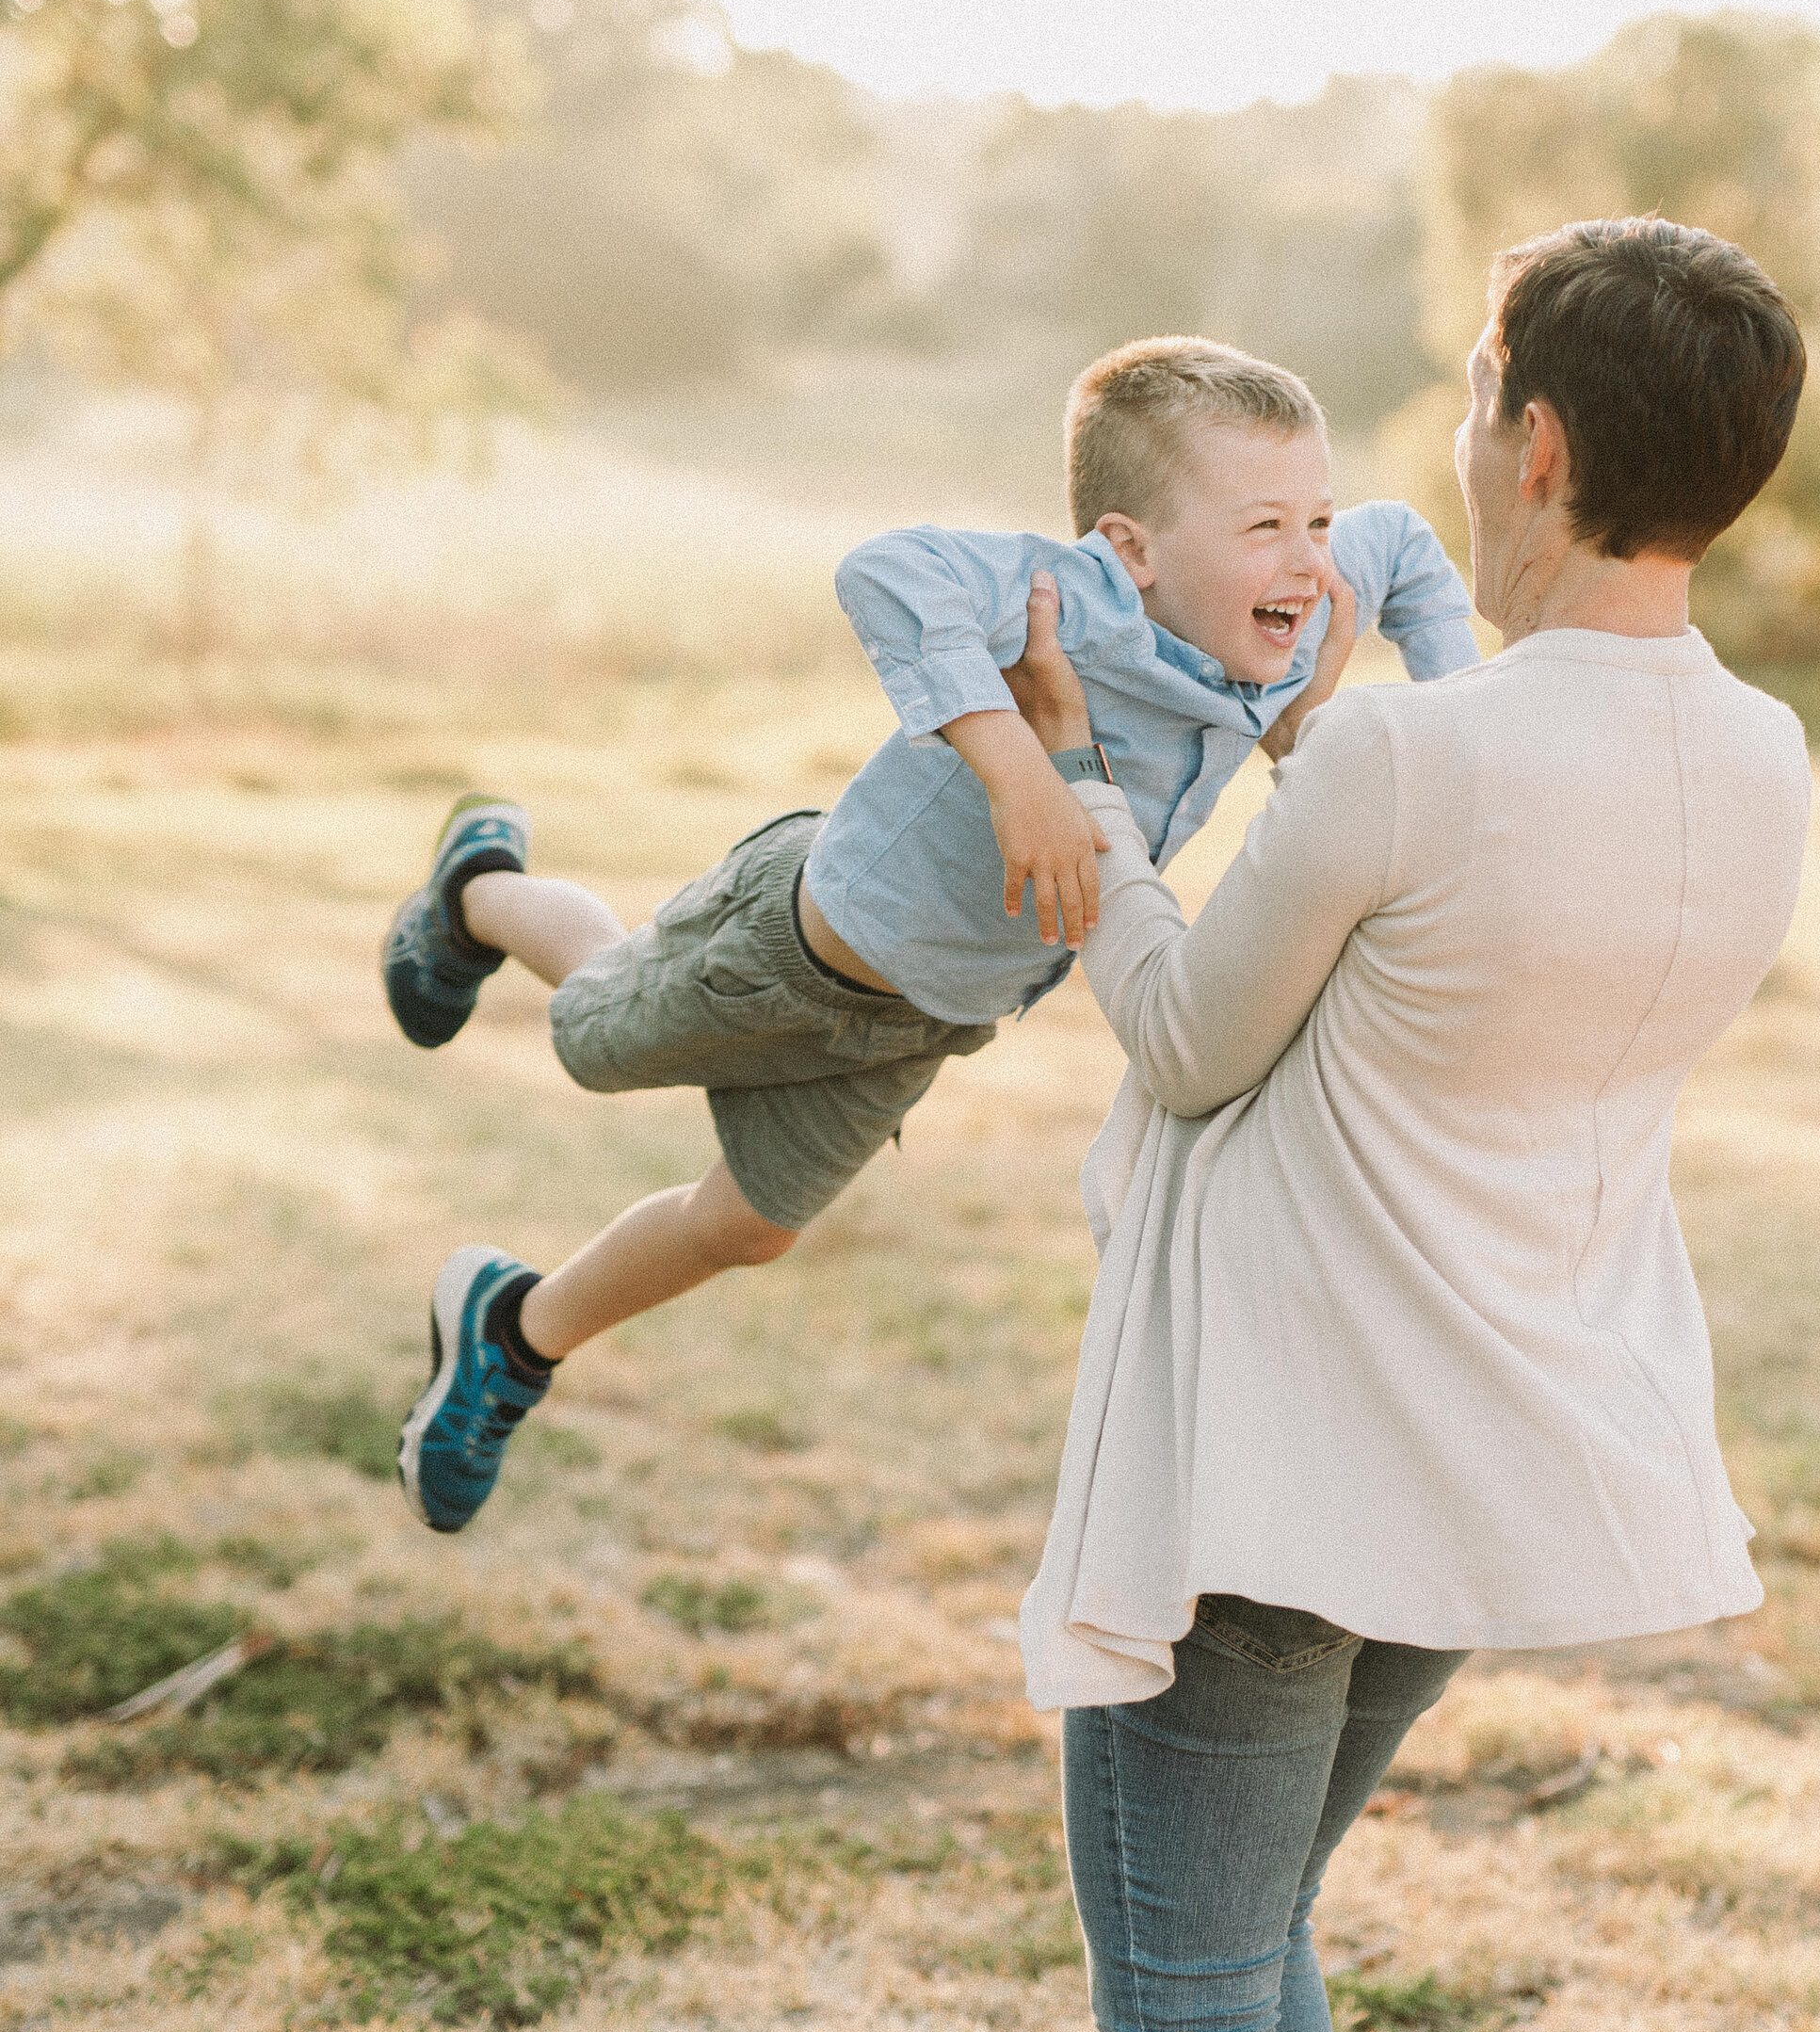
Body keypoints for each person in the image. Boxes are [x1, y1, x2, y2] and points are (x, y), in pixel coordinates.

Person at [1003, 218, 1814, 2032]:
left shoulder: (1403, 753)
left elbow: (1174, 1030)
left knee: (1178, 2015)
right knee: (1243, 1969)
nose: (1455, 446)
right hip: (1486, 1462)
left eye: (1474, 401)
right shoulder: (1758, 755)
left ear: (1538, 445)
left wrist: (1065, 791)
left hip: (1281, 1474)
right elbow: (1440, 970)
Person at [380, 338, 1477, 1533]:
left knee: (749, 1226)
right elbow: (887, 571)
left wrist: (1452, 721)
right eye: (1267, 527)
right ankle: (478, 884)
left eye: (1316, 519)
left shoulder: (1306, 593)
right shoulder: (1071, 595)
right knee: (589, 1029)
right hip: (802, 943)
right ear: (1131, 548)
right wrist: (1016, 772)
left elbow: (1410, 551)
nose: (1312, 562)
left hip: (934, 1015)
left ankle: (512, 1333)